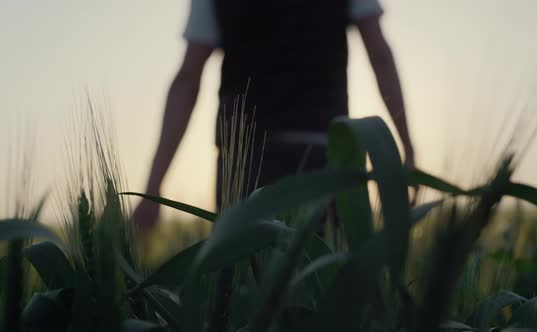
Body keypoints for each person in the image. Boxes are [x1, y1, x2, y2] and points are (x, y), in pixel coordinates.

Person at [133, 0, 416, 233]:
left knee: (246, 292)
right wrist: (406, 148)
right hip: (325, 159)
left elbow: (188, 77)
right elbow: (380, 54)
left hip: (245, 165)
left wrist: (153, 187)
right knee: (327, 290)